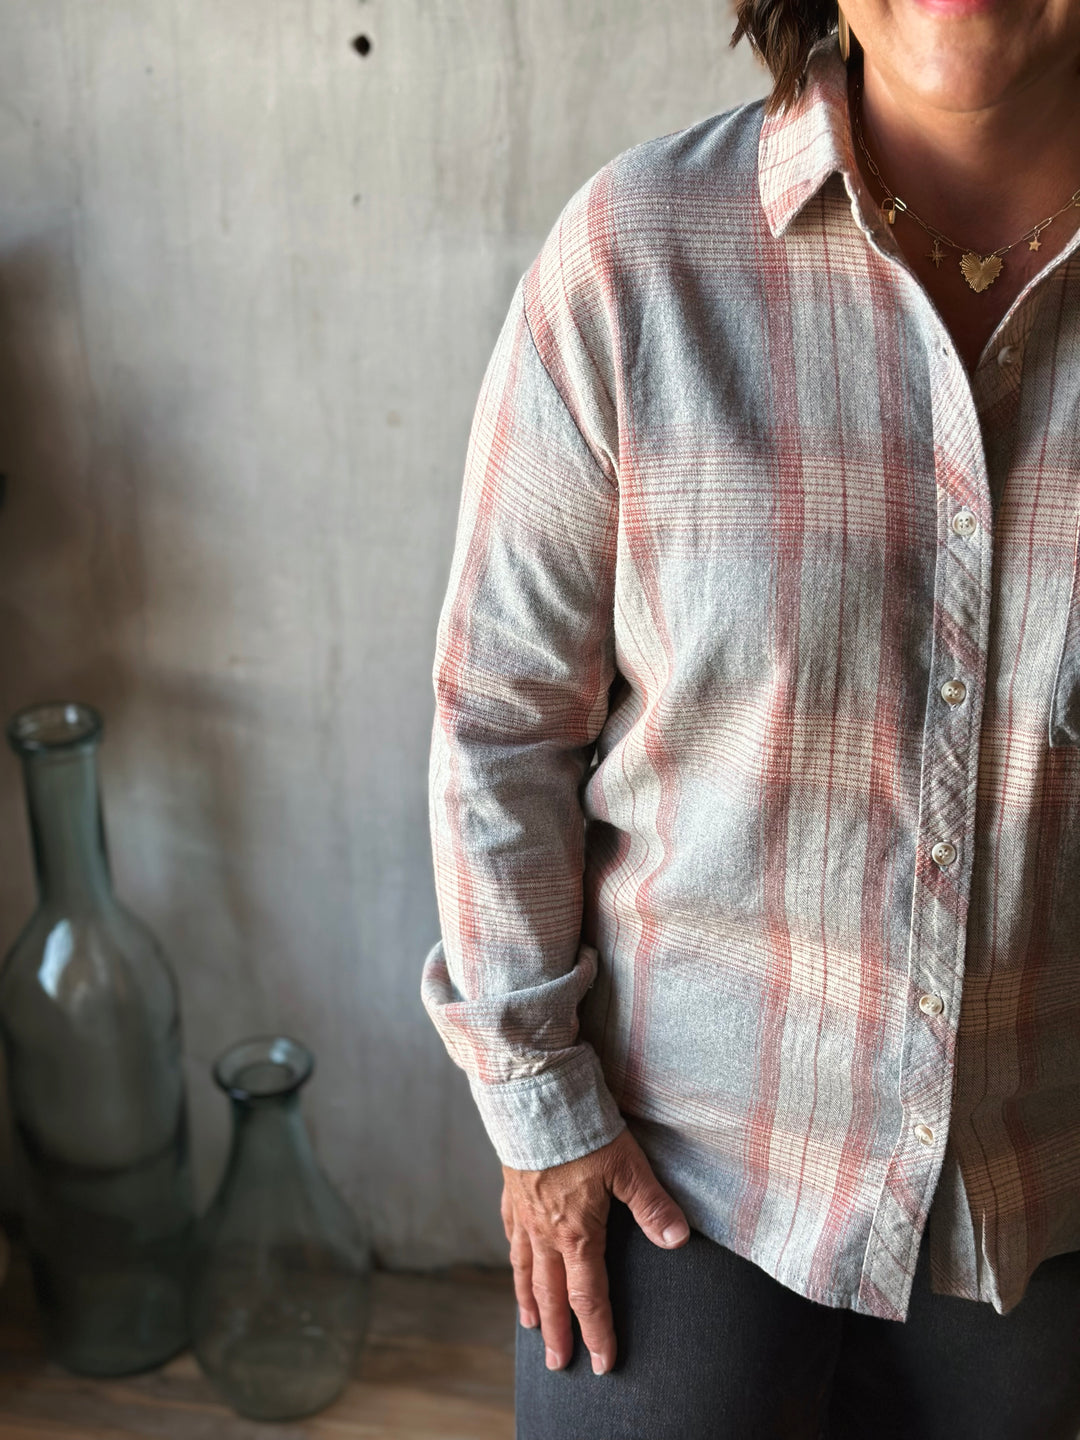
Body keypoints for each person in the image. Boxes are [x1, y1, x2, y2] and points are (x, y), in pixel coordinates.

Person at [420, 0, 1080, 1434]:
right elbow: (499, 721)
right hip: (682, 1174)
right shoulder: (634, 259)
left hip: (1049, 1188)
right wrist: (545, 1118)